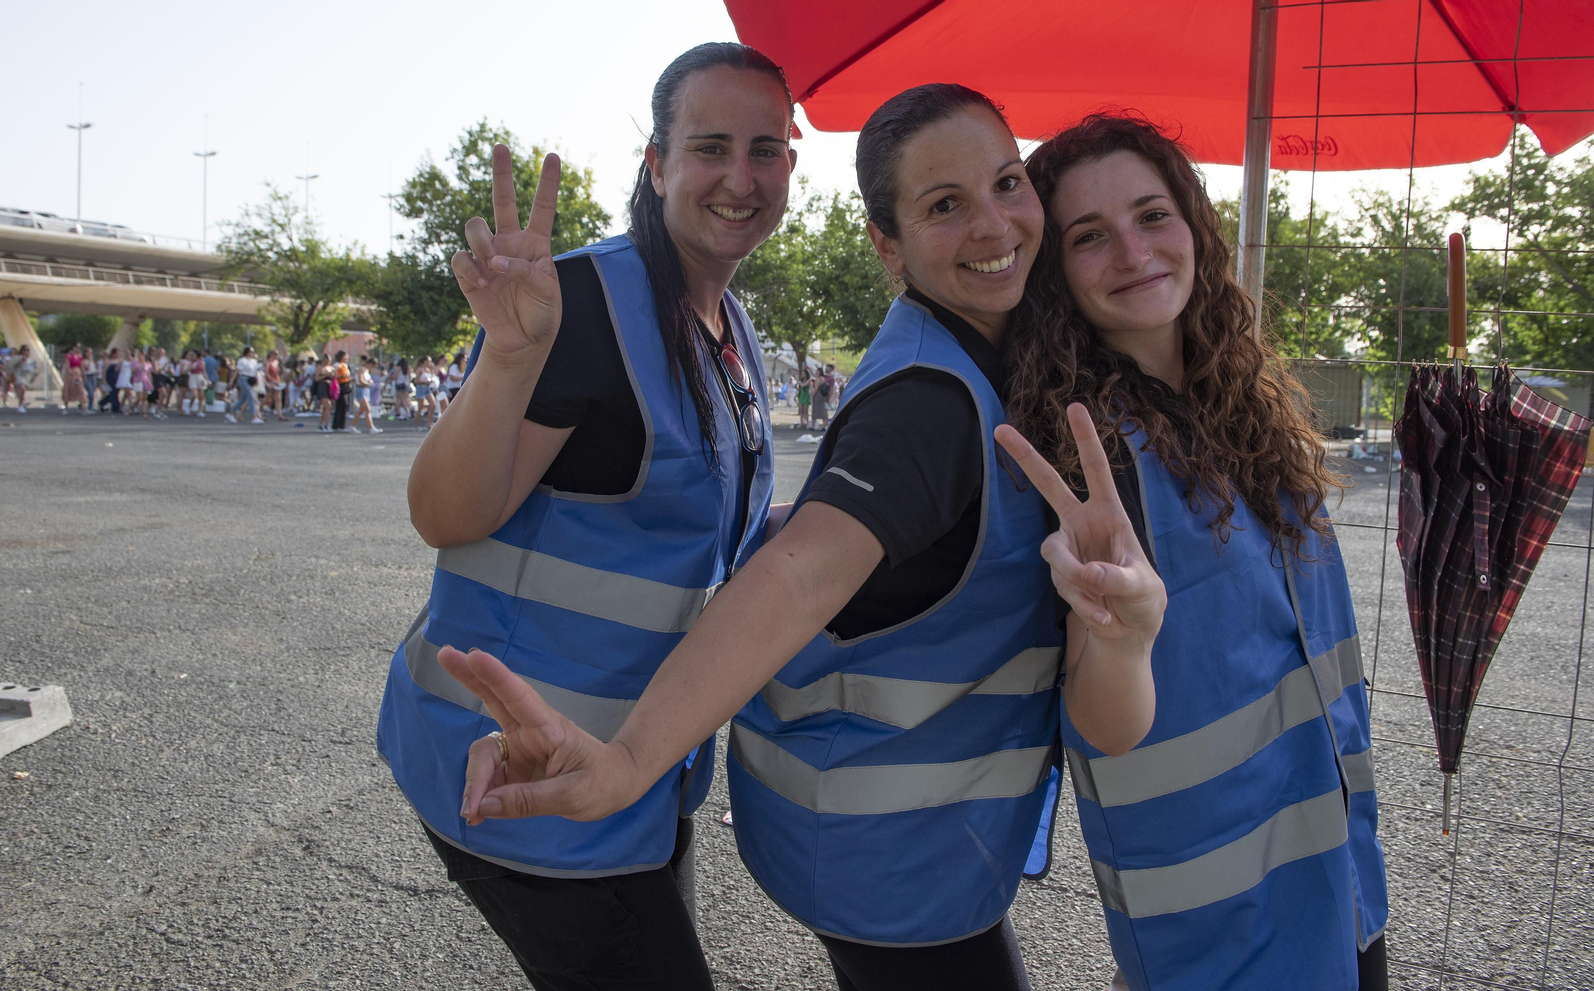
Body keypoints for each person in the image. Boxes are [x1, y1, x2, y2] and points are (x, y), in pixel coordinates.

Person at [433, 83, 1164, 991]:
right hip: (856, 846)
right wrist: (628, 760)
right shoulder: (928, 405)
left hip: (845, 823)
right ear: (885, 244)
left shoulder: (777, 333)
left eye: (1008, 183)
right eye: (944, 205)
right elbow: (795, 577)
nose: (993, 224)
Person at [376, 42, 793, 991]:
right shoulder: (584, 304)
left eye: (765, 150)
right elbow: (444, 512)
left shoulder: (728, 329)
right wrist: (512, 361)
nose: (740, 177)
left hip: (627, 773)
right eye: (710, 147)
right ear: (656, 162)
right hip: (521, 769)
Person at [999, 113, 1390, 991]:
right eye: (1089, 236)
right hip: (1220, 924)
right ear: (1056, 273)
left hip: (1342, 876)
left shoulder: (1244, 411)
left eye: (1152, 214)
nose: (1133, 252)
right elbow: (1104, 724)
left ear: (1194, 224)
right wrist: (1122, 636)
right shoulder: (1095, 456)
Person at [346, 355, 382, 434]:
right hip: (361, 389)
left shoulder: (366, 371)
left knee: (361, 410)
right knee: (367, 409)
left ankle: (352, 426)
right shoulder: (361, 369)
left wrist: (370, 382)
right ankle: (371, 428)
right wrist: (367, 384)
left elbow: (367, 379)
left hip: (366, 390)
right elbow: (360, 379)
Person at [233, 346, 263, 424]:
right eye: (251, 351)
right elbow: (237, 371)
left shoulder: (254, 361)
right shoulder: (242, 360)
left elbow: (255, 372)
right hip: (243, 378)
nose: (252, 353)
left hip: (251, 380)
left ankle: (231, 412)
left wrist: (256, 381)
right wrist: (232, 381)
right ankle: (253, 417)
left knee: (243, 399)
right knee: (251, 397)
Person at [60, 344, 86, 413]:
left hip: (78, 374)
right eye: (77, 347)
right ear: (73, 348)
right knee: (68, 389)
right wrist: (72, 374)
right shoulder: (68, 356)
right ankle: (66, 407)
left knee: (81, 390)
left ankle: (83, 407)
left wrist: (84, 375)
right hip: (70, 375)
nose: (78, 349)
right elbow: (67, 367)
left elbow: (82, 367)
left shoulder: (80, 357)